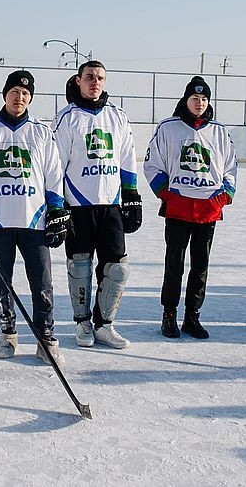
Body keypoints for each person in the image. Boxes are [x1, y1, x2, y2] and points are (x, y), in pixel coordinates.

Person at [0, 70, 70, 364]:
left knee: (42, 282)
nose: (19, 98)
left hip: (34, 220)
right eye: (14, 92)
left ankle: (45, 337)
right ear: (5, 94)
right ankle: (8, 333)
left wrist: (57, 210)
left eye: (25, 94)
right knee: (2, 282)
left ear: (30, 98)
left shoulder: (40, 131)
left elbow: (53, 174)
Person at [53, 60, 141, 349]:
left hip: (111, 205)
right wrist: (58, 205)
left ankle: (105, 324)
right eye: (89, 77)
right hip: (77, 205)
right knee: (79, 266)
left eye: (100, 78)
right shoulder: (66, 118)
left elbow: (127, 157)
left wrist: (132, 196)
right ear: (78, 81)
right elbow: (56, 166)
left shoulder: (117, 116)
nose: (95, 82)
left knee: (116, 269)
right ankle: (83, 323)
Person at [143, 76, 237, 339]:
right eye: (195, 98)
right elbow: (152, 165)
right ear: (185, 100)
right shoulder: (168, 128)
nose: (199, 103)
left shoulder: (219, 131)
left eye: (204, 99)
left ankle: (192, 316)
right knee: (174, 264)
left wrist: (222, 197)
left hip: (208, 210)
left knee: (200, 265)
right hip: (178, 208)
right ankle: (169, 315)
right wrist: (167, 195)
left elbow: (231, 169)